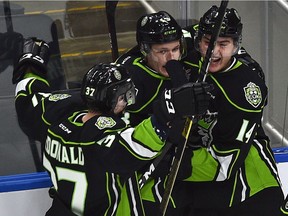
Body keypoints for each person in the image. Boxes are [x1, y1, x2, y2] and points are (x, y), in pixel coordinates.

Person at [13, 37, 212, 215]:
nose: (127, 102)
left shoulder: (54, 121)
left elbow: (27, 102)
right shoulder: (104, 136)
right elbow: (134, 146)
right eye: (125, 96)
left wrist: (31, 68)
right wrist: (166, 112)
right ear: (114, 100)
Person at [178, 5, 284, 216]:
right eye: (208, 43)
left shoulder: (245, 89)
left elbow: (224, 164)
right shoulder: (188, 54)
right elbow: (160, 44)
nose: (214, 52)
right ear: (199, 40)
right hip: (199, 181)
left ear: (236, 46)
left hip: (250, 184)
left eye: (223, 44)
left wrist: (173, 162)